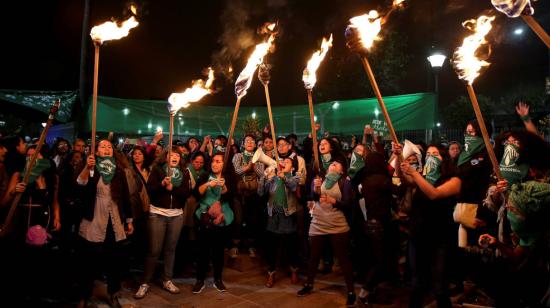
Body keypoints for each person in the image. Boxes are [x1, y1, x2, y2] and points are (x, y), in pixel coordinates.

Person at [75, 139, 134, 308]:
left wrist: (129, 220)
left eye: (109, 146)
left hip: (114, 220)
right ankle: (84, 296)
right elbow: (80, 185)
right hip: (94, 220)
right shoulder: (90, 166)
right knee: (88, 262)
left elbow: (125, 197)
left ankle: (113, 293)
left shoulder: (118, 170)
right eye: (102, 146)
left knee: (114, 262)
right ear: (96, 151)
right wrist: (88, 167)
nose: (106, 149)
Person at [399, 144, 457, 308]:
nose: (431, 157)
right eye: (428, 154)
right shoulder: (420, 178)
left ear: (443, 158)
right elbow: (405, 178)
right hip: (418, 236)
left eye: (435, 154)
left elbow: (433, 193)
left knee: (439, 286)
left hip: (440, 239)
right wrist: (398, 156)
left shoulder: (451, 180)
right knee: (417, 284)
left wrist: (415, 174)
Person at [134, 147, 191, 299]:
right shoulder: (157, 170)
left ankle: (167, 280)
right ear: (165, 157)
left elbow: (187, 193)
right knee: (154, 250)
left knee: (170, 249)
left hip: (176, 215)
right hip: (158, 214)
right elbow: (150, 191)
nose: (175, 156)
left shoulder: (184, 172)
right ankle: (145, 282)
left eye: (177, 155)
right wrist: (161, 185)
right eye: (171, 154)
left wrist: (174, 188)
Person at [298, 160, 356, 306]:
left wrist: (333, 201)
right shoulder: (319, 179)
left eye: (337, 164)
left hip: (337, 224)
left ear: (342, 171)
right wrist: (316, 188)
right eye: (332, 164)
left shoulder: (345, 182)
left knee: (343, 259)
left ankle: (351, 292)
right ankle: (309, 285)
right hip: (318, 223)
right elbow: (313, 198)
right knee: (314, 257)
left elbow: (348, 204)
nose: (333, 164)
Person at [192, 153, 234, 294]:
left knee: (218, 251)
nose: (214, 164)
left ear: (224, 164)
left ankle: (218, 280)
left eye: (218, 161)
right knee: (201, 250)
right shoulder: (204, 175)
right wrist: (207, 184)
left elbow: (231, 196)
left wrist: (224, 187)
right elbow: (196, 194)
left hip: (222, 217)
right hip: (205, 216)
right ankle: (200, 280)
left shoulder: (228, 177)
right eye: (213, 161)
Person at [259, 157, 301, 287]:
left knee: (291, 247)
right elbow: (260, 192)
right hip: (273, 216)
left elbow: (293, 187)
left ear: (292, 168)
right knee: (272, 247)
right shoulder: (274, 178)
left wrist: (284, 177)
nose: (283, 163)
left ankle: (294, 270)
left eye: (287, 162)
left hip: (287, 215)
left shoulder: (295, 177)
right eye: (282, 162)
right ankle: (271, 273)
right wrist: (264, 177)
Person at [230, 135, 264, 258]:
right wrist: (246, 168)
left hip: (254, 193)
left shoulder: (259, 158)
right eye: (247, 141)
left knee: (252, 220)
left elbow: (262, 175)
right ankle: (235, 246)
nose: (250, 143)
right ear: (243, 144)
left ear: (255, 145)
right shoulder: (237, 156)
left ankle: (251, 246)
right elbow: (235, 171)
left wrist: (254, 167)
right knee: (238, 220)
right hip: (239, 194)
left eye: (252, 141)